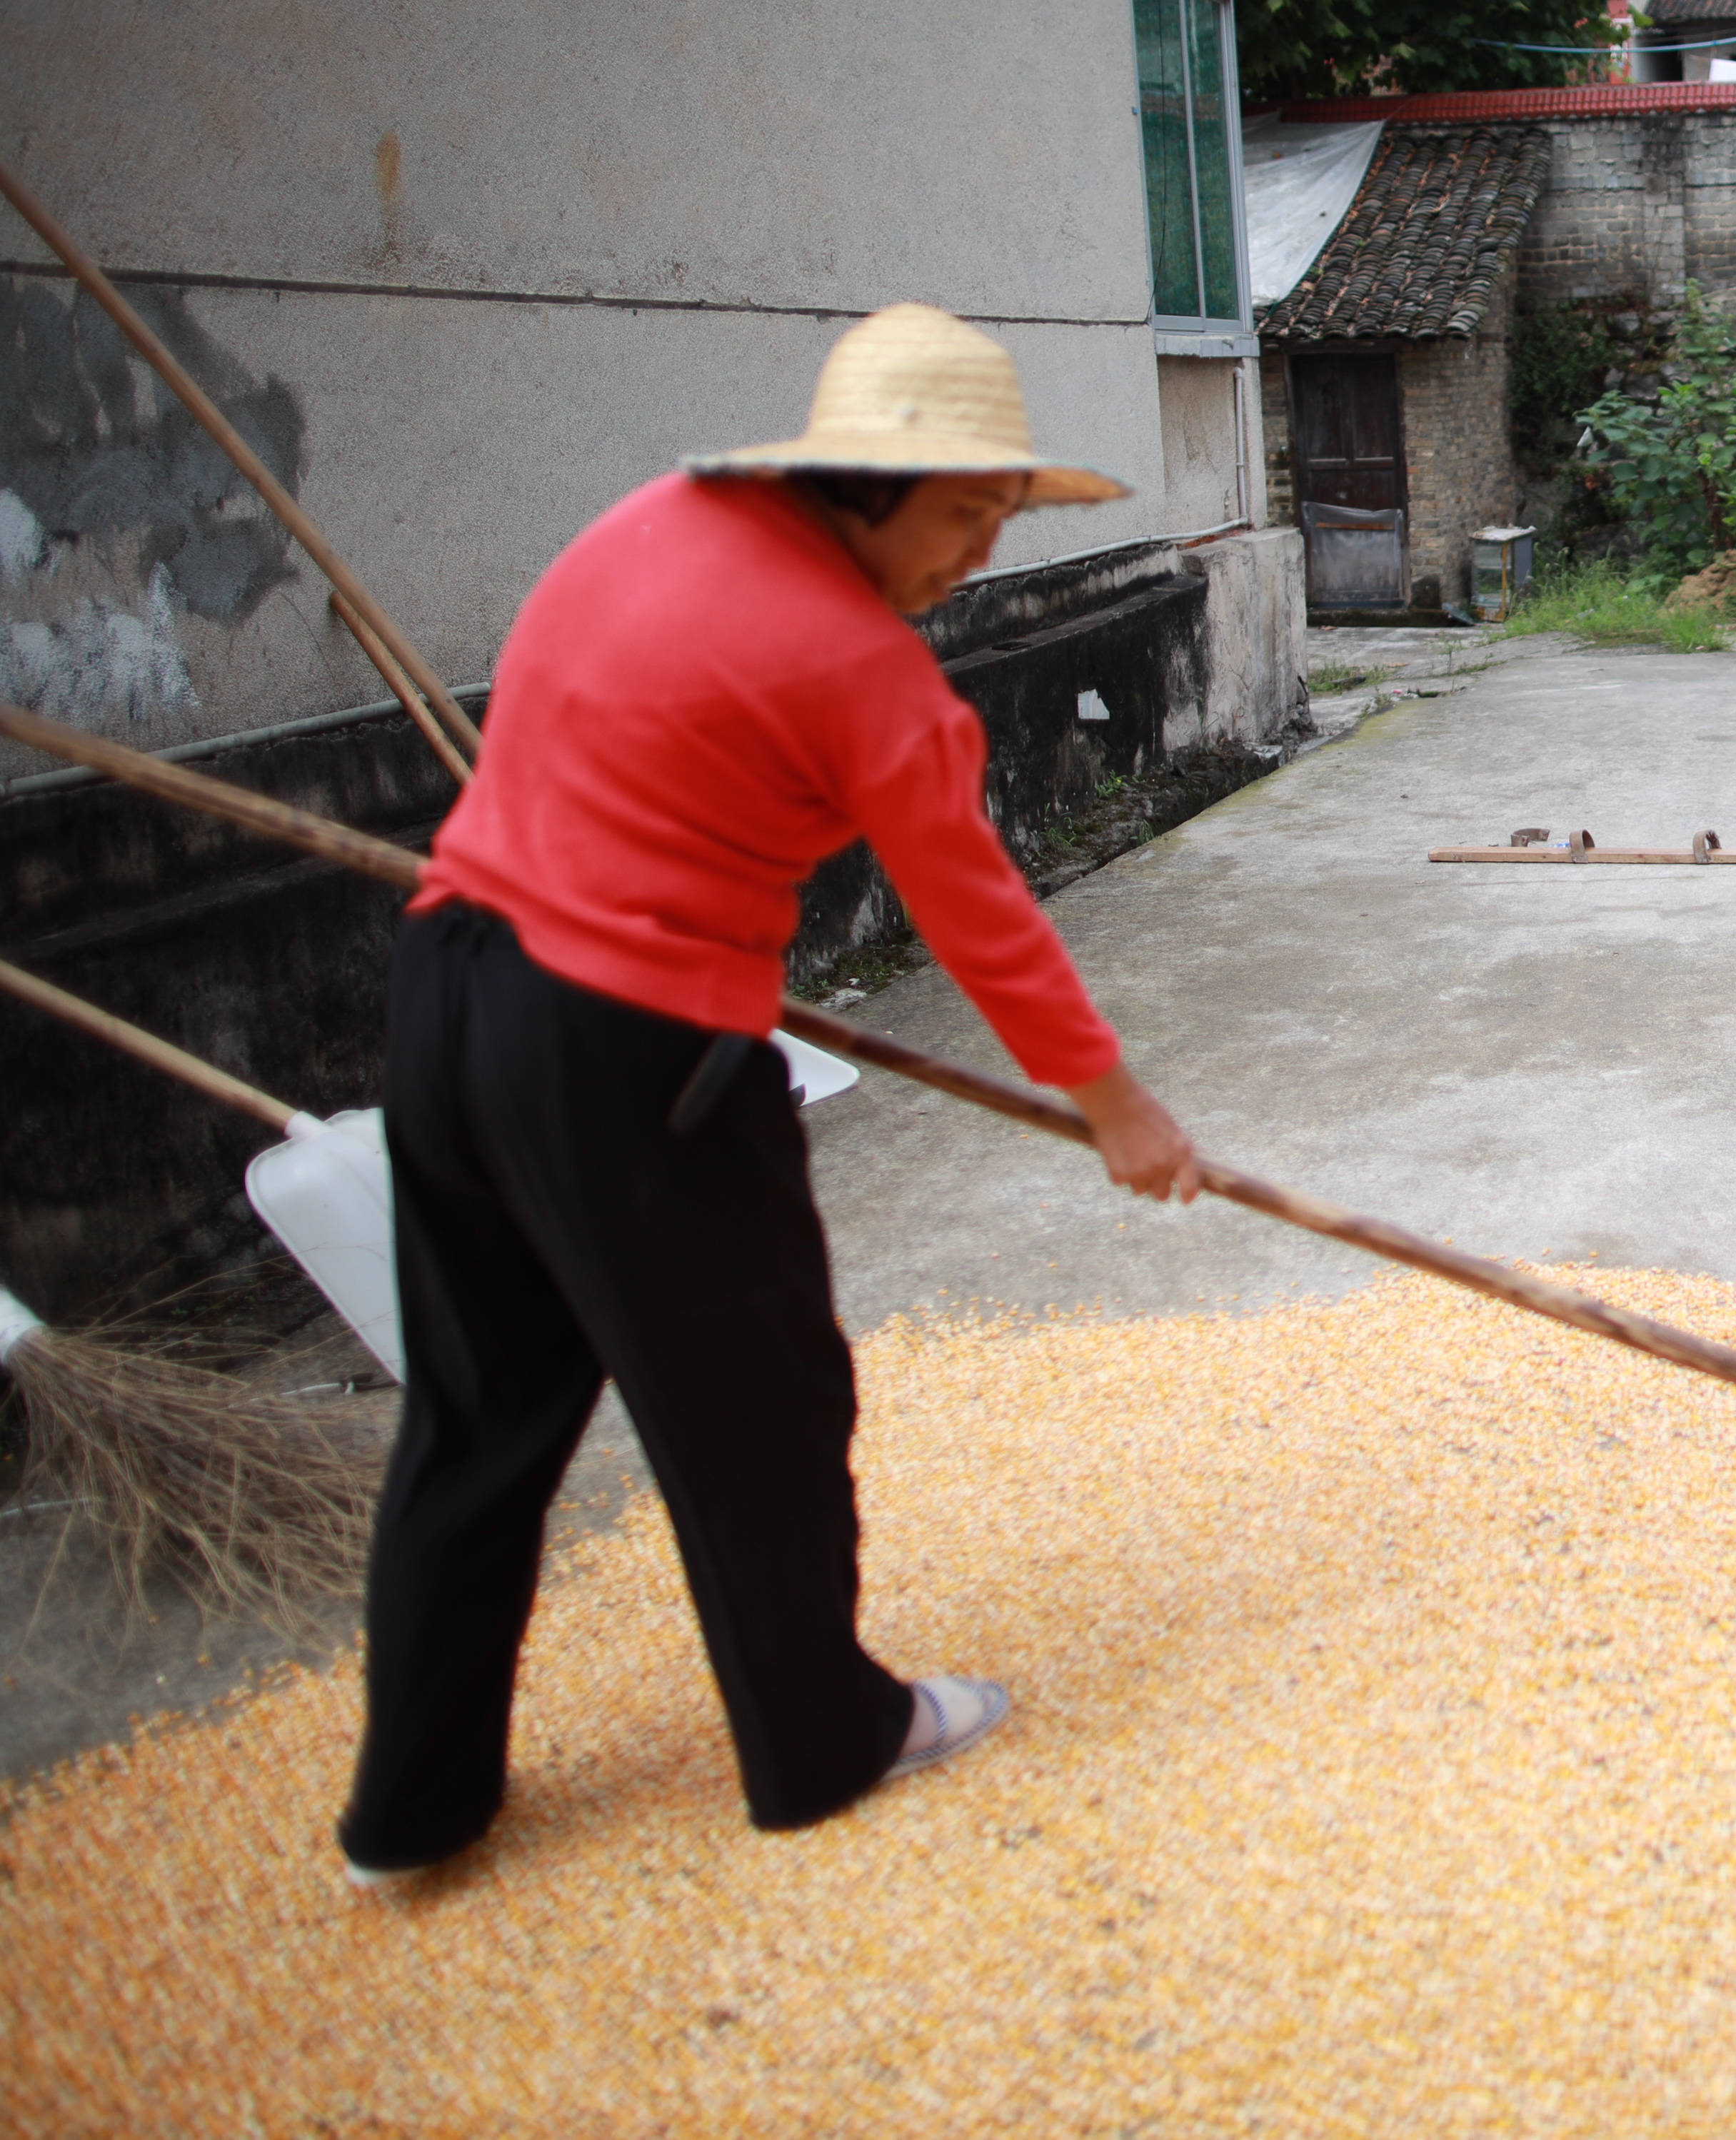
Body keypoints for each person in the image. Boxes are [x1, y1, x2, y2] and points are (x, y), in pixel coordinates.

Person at [336, 306, 1204, 1884]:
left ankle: (410, 1806)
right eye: (961, 511)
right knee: (760, 1410)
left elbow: (608, 755)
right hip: (629, 1057)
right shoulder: (862, 668)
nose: (976, 551)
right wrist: (1118, 1108)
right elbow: (980, 914)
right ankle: (821, 1736)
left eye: (1002, 517)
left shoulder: (643, 526)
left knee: (475, 1417)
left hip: (447, 998)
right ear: (866, 482)